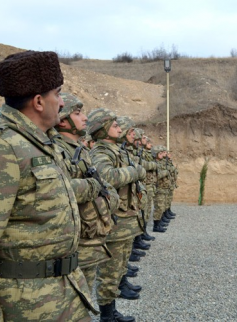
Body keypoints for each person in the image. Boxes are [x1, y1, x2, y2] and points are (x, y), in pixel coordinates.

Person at [0, 50, 95, 321]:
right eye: (58, 94)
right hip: (27, 308)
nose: (61, 103)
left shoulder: (38, 143)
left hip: (64, 296)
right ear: (39, 101)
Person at [53, 93, 127, 321]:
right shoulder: (56, 149)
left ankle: (107, 312)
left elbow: (106, 186)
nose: (84, 118)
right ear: (63, 120)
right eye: (78, 113)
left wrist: (108, 197)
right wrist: (96, 187)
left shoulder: (80, 150)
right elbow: (58, 189)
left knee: (86, 293)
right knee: (73, 300)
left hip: (92, 233)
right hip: (76, 239)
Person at [87, 108, 145, 321]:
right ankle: (107, 316)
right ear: (102, 130)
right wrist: (135, 171)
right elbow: (108, 177)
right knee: (109, 272)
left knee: (120, 265)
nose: (119, 129)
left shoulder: (115, 150)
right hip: (115, 220)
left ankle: (112, 311)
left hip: (125, 219)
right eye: (115, 126)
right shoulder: (101, 152)